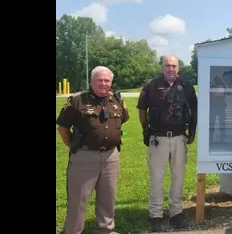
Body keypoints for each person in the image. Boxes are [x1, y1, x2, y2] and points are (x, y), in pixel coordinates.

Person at [56, 66, 129, 234]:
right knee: (79, 199)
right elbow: (62, 127)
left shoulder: (117, 100)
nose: (104, 83)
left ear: (111, 82)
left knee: (108, 196)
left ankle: (106, 230)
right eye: (99, 80)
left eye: (107, 80)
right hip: (84, 157)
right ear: (92, 81)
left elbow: (121, 122)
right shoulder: (77, 100)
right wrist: (73, 145)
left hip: (111, 156)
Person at [137, 54, 198, 231]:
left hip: (179, 137)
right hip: (158, 138)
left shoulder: (186, 85)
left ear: (178, 67)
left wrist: (192, 131)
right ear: (162, 67)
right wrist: (145, 129)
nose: (171, 69)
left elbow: (194, 109)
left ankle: (176, 212)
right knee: (156, 177)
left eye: (174, 66)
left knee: (178, 177)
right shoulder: (151, 85)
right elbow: (142, 109)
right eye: (167, 65)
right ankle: (156, 214)